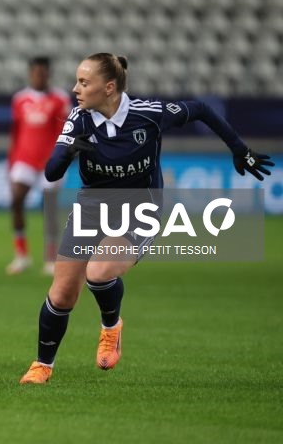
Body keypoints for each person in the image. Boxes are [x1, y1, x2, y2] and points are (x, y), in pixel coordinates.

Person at [19, 53, 274, 384]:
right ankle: (42, 365)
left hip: (141, 209)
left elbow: (201, 109)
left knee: (98, 272)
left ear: (109, 87)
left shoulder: (148, 115)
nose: (75, 88)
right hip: (92, 208)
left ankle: (111, 327)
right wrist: (68, 152)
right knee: (63, 293)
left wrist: (239, 149)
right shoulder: (79, 119)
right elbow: (52, 172)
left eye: (84, 82)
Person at [6, 57, 71, 275]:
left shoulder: (60, 99)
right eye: (35, 72)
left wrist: (61, 158)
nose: (39, 76)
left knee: (49, 208)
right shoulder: (20, 99)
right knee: (16, 199)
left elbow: (65, 132)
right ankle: (21, 255)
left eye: (43, 73)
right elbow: (16, 132)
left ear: (48, 74)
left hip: (50, 162)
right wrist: (12, 159)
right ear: (30, 73)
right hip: (24, 159)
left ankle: (51, 258)